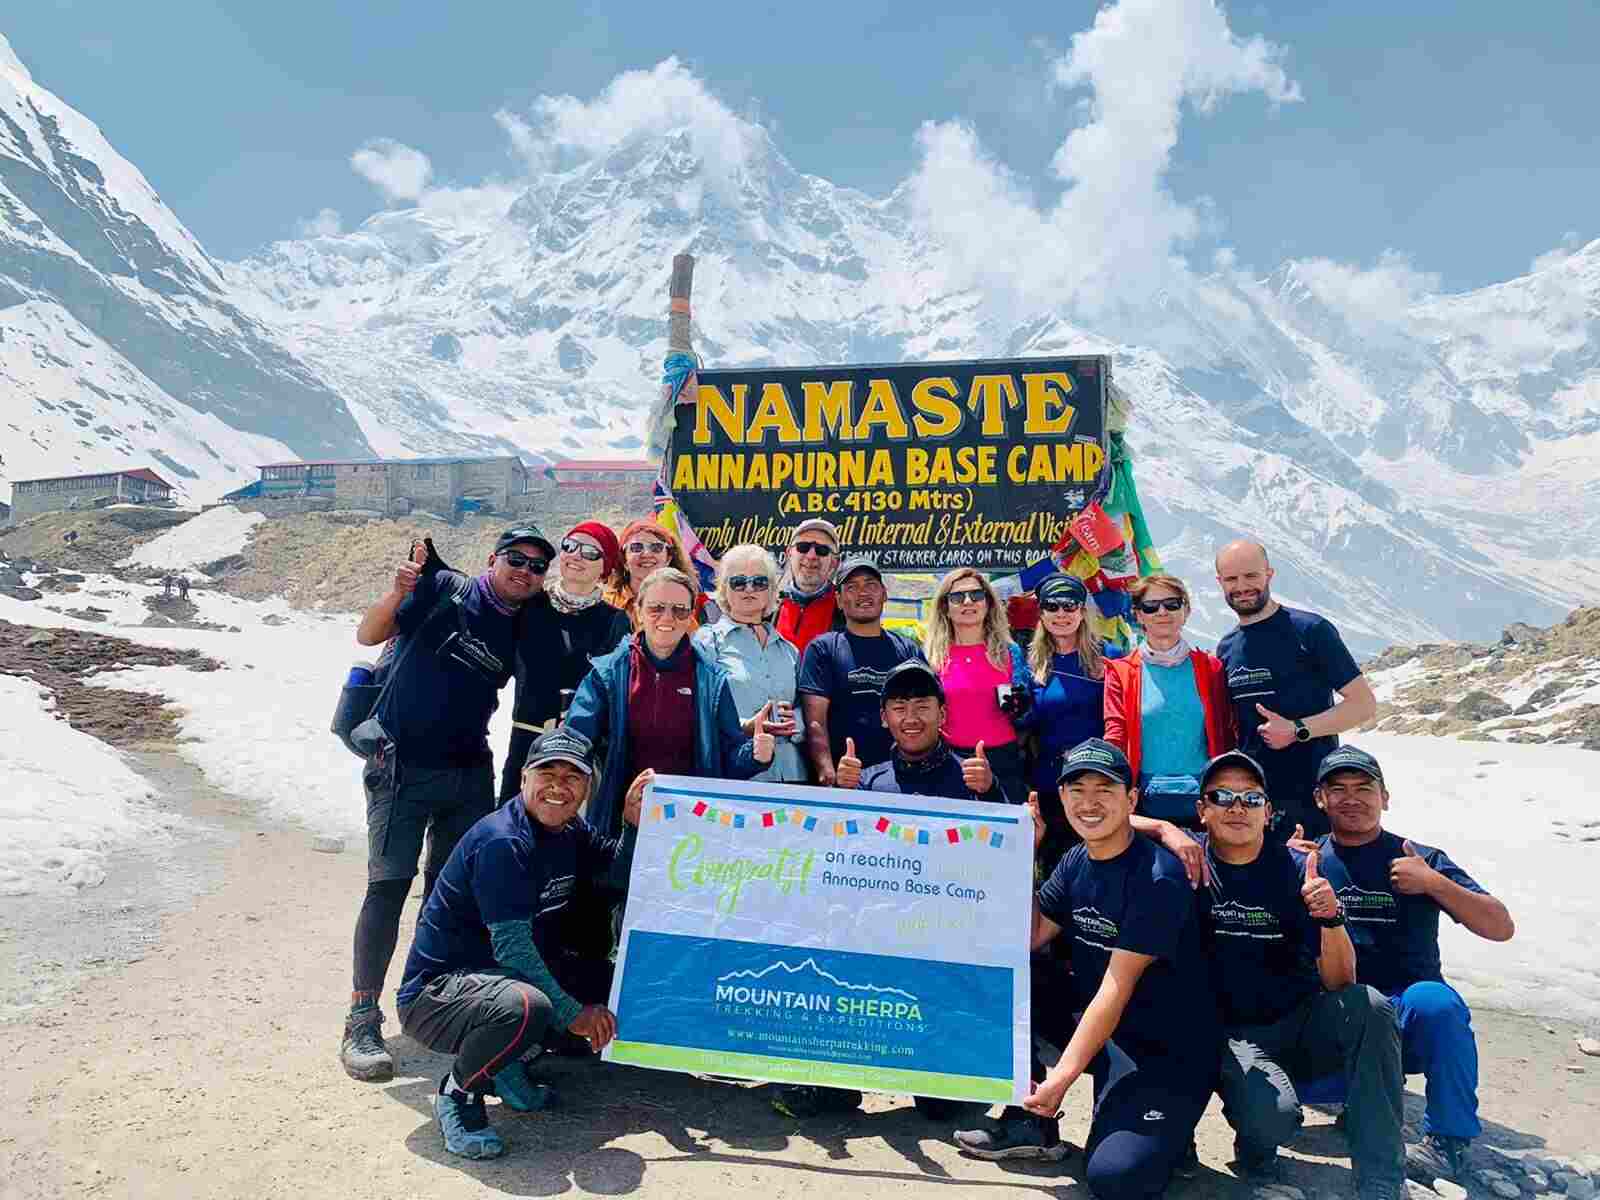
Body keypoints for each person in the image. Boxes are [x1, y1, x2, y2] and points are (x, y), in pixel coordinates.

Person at [955, 738, 1221, 1198]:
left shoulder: (1158, 879)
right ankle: (1030, 1125)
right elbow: (1028, 937)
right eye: (1076, 790)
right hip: (1107, 1034)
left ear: (1132, 799)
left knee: (1114, 1179)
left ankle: (1171, 1132)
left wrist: (1060, 1080)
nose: (1089, 802)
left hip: (1165, 1049)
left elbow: (1115, 990)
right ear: (1061, 798)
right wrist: (1027, 852)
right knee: (1018, 973)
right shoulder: (1078, 857)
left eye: (1105, 789)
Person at [1140, 750, 1404, 1197]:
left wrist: (1331, 917)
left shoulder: (1302, 870)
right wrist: (1164, 827)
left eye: (1251, 798)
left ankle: (1381, 1179)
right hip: (1232, 1036)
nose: (1237, 808)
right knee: (1273, 1117)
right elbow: (1108, 820)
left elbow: (1341, 982)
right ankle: (1256, 1146)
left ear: (1269, 811)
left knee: (1371, 1007)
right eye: (1222, 797)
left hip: (1300, 1020)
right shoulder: (1186, 857)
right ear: (1202, 810)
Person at [339, 527, 549, 1083]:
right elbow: (369, 633)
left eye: (535, 566)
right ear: (493, 559)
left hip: (468, 770)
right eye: (515, 559)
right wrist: (396, 591)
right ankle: (362, 1015)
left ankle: (435, 1007)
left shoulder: (526, 623)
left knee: (449, 895)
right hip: (399, 765)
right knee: (387, 886)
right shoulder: (446, 588)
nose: (524, 571)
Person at [396, 727, 637, 1160]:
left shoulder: (569, 830)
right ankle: (458, 1095)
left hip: (495, 980)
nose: (558, 787)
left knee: (611, 981)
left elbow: (618, 874)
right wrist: (573, 1015)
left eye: (573, 777)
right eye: (548, 773)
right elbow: (513, 950)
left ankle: (504, 1066)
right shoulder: (503, 841)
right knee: (528, 1005)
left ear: (587, 788)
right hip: (436, 997)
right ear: (524, 777)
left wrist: (632, 824)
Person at [777, 659, 1001, 1122]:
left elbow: (1002, 865)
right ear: (884, 718)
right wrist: (843, 800)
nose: (911, 717)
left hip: (945, 945)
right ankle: (835, 1080)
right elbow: (837, 865)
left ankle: (942, 1065)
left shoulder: (972, 777)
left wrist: (992, 795)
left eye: (922, 705)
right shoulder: (870, 780)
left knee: (941, 1109)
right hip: (875, 939)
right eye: (899, 707)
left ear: (944, 713)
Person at [1310, 746, 1515, 1187]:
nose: (1352, 798)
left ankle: (1449, 1141)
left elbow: (1500, 927)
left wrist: (1434, 884)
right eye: (1338, 789)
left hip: (1408, 1014)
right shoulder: (1306, 860)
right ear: (1319, 799)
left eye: (1364, 788)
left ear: (1385, 797)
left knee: (1438, 1003)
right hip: (1336, 1015)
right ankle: (1357, 1104)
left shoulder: (1423, 858)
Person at [565, 566, 772, 844]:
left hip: (691, 826)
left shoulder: (711, 680)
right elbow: (575, 742)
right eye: (656, 608)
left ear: (690, 617)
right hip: (622, 821)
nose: (667, 618)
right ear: (637, 611)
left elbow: (728, 761)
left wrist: (755, 755)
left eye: (679, 610)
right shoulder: (608, 674)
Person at [1214, 541, 1377, 838]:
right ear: (1220, 583)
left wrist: (1298, 728)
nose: (1242, 586)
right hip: (1253, 805)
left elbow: (1363, 705)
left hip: (1313, 801)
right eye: (1232, 579)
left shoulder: (1311, 630)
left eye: (1251, 576)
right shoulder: (1226, 648)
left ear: (1269, 574)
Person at [500, 521, 631, 800]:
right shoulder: (529, 605)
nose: (576, 556)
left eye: (590, 552)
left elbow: (616, 692)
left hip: (579, 750)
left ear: (605, 568)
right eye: (570, 546)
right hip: (526, 743)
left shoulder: (615, 622)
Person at [1103, 574, 1234, 830]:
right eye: (1151, 607)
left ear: (1186, 610)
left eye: (1172, 604)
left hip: (1205, 802)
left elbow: (1226, 731)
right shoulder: (1120, 672)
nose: (1162, 612)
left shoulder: (1210, 668)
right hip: (1145, 804)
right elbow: (1115, 736)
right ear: (1138, 615)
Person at [1017, 572, 1124, 870]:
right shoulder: (1032, 663)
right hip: (1052, 785)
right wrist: (1019, 712)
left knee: (1102, 866)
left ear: (1082, 610)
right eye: (1052, 606)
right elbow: (1029, 724)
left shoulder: (1110, 657)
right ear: (1041, 613)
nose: (1061, 613)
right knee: (1056, 870)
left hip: (1098, 783)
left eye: (1069, 605)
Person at [797, 555, 925, 785]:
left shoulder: (908, 650)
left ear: (884, 594)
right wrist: (828, 774)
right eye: (852, 587)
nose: (863, 593)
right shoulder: (823, 649)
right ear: (838, 599)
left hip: (901, 781)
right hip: (845, 779)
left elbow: (926, 712)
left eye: (871, 585)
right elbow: (815, 722)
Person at [692, 544, 806, 783]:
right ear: (724, 589)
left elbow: (803, 707)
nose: (749, 589)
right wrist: (748, 726)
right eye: (738, 582)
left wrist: (797, 723)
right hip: (739, 775)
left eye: (759, 582)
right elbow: (699, 711)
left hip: (793, 775)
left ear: (771, 590)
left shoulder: (789, 650)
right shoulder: (707, 641)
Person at [922, 567, 1030, 808]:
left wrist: (1021, 706)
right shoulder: (931, 657)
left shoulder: (1009, 652)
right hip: (948, 761)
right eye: (958, 597)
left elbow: (1026, 717)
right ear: (945, 608)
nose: (968, 602)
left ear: (988, 603)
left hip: (1002, 762)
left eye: (977, 595)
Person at [604, 518, 709, 628]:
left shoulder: (683, 605)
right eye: (636, 547)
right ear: (624, 560)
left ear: (668, 558)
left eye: (656, 547)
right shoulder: (606, 604)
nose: (647, 554)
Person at [774, 517, 846, 655]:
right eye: (803, 547)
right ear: (789, 554)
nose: (811, 555)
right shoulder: (767, 608)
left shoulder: (847, 611)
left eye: (822, 550)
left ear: (834, 562)